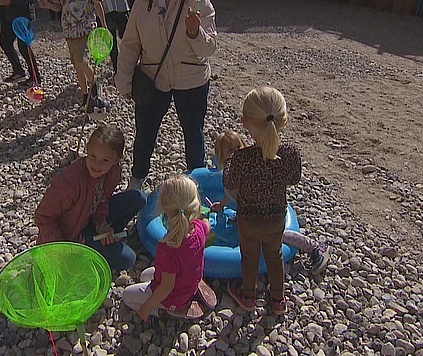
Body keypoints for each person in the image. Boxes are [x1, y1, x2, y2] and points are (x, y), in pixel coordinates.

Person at [115, 0, 217, 191]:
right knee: (145, 132)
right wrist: (124, 81)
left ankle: (197, 183)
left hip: (191, 79)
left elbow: (209, 49)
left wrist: (194, 32)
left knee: (194, 133)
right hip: (154, 78)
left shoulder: (200, 1)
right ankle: (137, 179)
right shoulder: (143, 1)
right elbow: (130, 44)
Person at [223, 86, 328, 315]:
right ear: (284, 121)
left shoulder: (241, 158)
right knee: (275, 255)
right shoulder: (290, 153)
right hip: (276, 218)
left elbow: (229, 183)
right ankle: (278, 300)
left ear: (245, 122)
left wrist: (231, 160)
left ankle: (248, 296)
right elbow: (294, 179)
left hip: (248, 219)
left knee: (249, 257)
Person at [33, 125, 146, 270]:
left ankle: (106, 239)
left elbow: (102, 201)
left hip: (90, 219)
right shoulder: (69, 183)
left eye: (105, 160)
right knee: (128, 259)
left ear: (116, 160)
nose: (96, 165)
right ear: (87, 151)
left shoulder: (113, 173)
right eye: (92, 156)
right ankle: (90, 250)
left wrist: (102, 226)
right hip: (73, 236)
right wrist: (65, 249)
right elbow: (43, 216)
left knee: (139, 198)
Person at [122, 174, 216, 319]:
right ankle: (193, 292)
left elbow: (166, 287)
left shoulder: (168, 248)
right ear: (195, 206)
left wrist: (146, 307)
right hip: (189, 282)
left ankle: (164, 311)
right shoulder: (198, 229)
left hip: (174, 298)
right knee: (145, 275)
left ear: (165, 209)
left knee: (126, 295)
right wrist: (206, 216)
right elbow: (207, 225)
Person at [38, 0, 107, 110]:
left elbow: (97, 3)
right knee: (76, 64)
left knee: (81, 60)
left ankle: (96, 90)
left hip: (86, 26)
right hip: (69, 28)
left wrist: (104, 27)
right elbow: (57, 6)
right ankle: (85, 95)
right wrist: (47, 4)